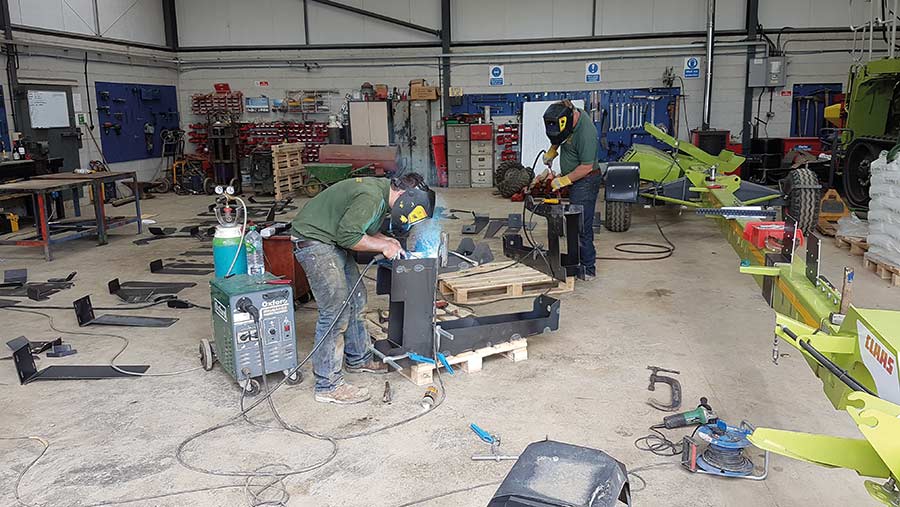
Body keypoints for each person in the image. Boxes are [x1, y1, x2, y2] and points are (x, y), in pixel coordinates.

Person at [291, 173, 434, 404]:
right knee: (335, 311)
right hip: (315, 241)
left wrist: (387, 240)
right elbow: (348, 236)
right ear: (405, 196)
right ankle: (327, 385)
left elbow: (361, 227)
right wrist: (382, 246)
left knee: (356, 299)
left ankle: (359, 359)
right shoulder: (371, 196)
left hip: (331, 241)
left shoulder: (382, 197)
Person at [541, 100, 601, 280]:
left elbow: (586, 167)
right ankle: (575, 261)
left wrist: (563, 181)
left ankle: (588, 268)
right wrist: (552, 150)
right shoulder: (568, 118)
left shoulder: (586, 133)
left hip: (586, 180)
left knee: (581, 226)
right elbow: (560, 136)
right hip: (575, 177)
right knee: (573, 225)